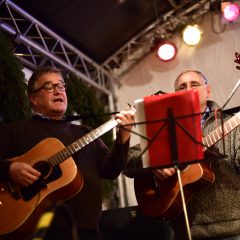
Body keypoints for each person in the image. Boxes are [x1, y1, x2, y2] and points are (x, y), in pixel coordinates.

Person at [0, 66, 135, 240]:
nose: (58, 91)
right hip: (37, 232)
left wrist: (123, 138)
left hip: (87, 232)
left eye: (61, 86)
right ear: (33, 98)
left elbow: (111, 171)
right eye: (49, 86)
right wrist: (9, 169)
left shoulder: (86, 132)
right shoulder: (14, 131)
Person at [125, 70, 240, 240]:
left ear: (207, 90)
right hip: (183, 231)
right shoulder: (167, 128)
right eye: (182, 87)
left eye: (195, 84)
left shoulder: (231, 125)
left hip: (232, 230)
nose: (188, 89)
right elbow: (129, 158)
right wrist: (154, 165)